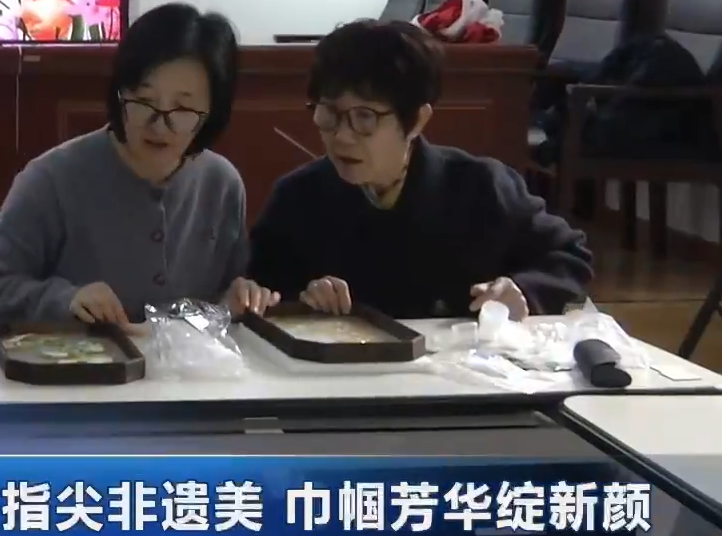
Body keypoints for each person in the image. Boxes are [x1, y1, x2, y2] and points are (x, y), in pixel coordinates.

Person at [243, 19, 594, 320]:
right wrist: (302, 300)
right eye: (329, 113)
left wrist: (522, 291)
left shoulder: (481, 188)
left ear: (417, 121)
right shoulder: (298, 198)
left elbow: (569, 257)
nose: (342, 136)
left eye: (365, 117)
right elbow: (262, 289)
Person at [0, 3, 267, 325]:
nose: (159, 125)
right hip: (83, 357)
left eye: (182, 109)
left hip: (188, 358)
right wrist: (66, 300)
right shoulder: (52, 179)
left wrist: (236, 298)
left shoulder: (222, 185)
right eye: (144, 101)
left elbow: (224, 296)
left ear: (211, 113)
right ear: (120, 94)